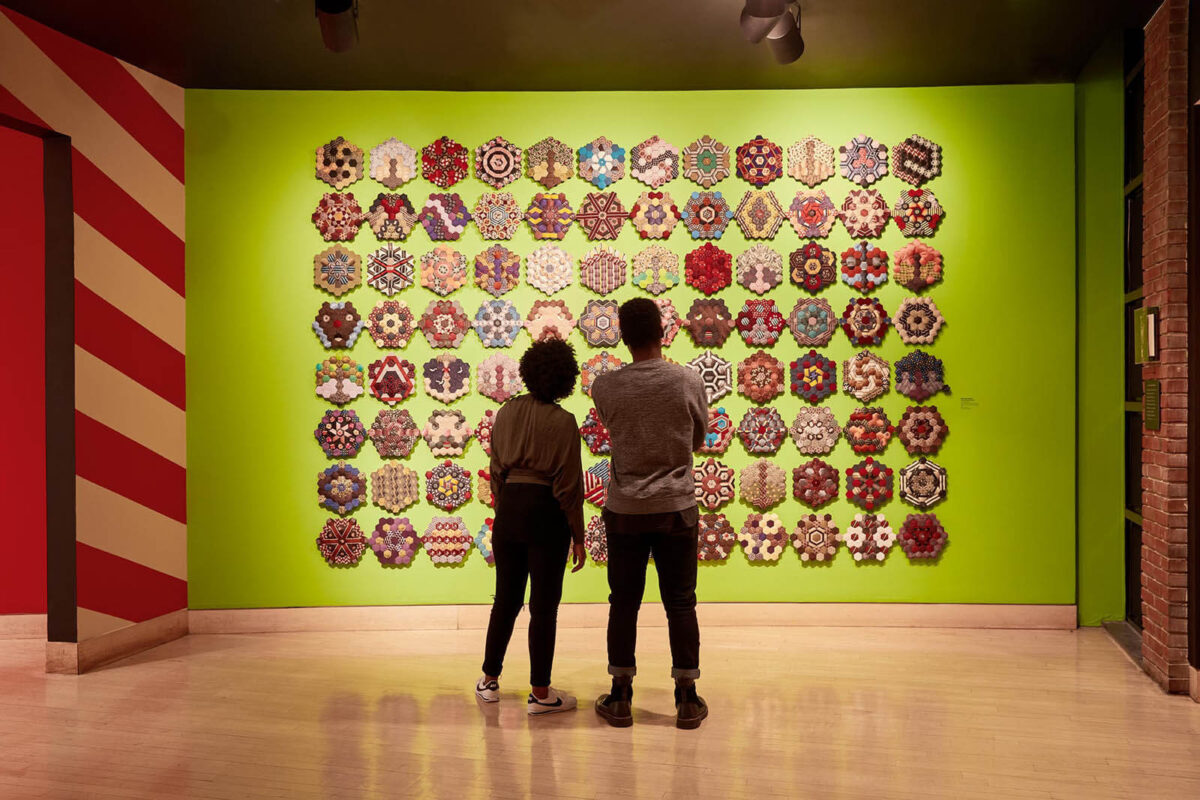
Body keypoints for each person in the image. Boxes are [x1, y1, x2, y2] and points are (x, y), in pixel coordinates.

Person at [590, 298, 710, 730]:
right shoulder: (687, 380)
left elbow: (613, 430)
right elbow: (697, 440)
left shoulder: (604, 387)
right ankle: (686, 697)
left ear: (622, 336)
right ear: (663, 332)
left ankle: (621, 694)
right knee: (680, 602)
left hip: (625, 509)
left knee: (623, 602)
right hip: (677, 506)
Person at [475, 338, 587, 716]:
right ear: (565, 379)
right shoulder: (565, 421)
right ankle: (541, 692)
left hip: (510, 511)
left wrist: (504, 510)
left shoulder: (506, 413)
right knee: (543, 607)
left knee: (505, 600)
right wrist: (578, 535)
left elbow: (495, 474)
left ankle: (489, 681)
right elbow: (570, 486)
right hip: (547, 514)